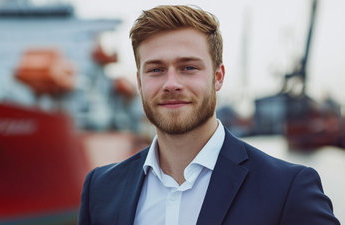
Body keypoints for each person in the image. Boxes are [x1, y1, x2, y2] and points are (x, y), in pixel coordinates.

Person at [78, 5, 340, 225]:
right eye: (156, 70)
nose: (171, 84)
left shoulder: (287, 188)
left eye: (188, 67)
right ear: (139, 82)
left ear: (218, 77)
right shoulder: (100, 188)